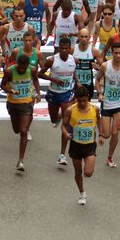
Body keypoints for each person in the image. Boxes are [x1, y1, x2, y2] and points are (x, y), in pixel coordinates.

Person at [61, 86, 104, 205]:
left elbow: (99, 120)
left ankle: (87, 172)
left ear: (88, 99)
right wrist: (66, 133)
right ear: (76, 99)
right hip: (76, 145)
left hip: (89, 145)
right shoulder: (70, 110)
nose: (82, 103)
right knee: (78, 172)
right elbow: (63, 125)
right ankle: (82, 193)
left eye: (84, 100)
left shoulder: (95, 109)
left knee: (88, 173)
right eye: (79, 100)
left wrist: (101, 134)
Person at [39, 36, 78, 164]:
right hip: (53, 93)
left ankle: (62, 154)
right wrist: (54, 80)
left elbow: (73, 73)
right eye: (62, 48)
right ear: (59, 48)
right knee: (53, 119)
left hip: (67, 93)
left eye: (67, 48)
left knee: (66, 124)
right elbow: (40, 74)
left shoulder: (74, 60)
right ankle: (59, 116)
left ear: (70, 49)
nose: (64, 51)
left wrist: (77, 82)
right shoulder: (51, 60)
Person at [1, 54, 42, 171]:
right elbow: (2, 85)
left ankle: (20, 160)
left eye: (24, 67)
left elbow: (35, 80)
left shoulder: (32, 70)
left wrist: (38, 93)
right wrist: (10, 90)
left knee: (23, 131)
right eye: (20, 67)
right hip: (13, 104)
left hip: (26, 103)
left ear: (27, 65)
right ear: (17, 64)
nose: (22, 69)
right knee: (16, 130)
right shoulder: (9, 71)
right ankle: (25, 123)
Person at [95, 42, 120, 168]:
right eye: (115, 53)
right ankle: (100, 133)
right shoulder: (105, 66)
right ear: (111, 53)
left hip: (119, 102)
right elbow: (97, 79)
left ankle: (110, 157)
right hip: (106, 102)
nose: (118, 55)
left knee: (115, 132)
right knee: (106, 134)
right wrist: (100, 93)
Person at [73, 27, 101, 100]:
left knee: (86, 104)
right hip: (75, 82)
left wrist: (97, 67)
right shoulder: (73, 49)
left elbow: (103, 68)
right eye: (82, 36)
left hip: (88, 83)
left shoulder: (94, 51)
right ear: (78, 36)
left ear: (89, 37)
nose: (84, 39)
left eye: (86, 37)